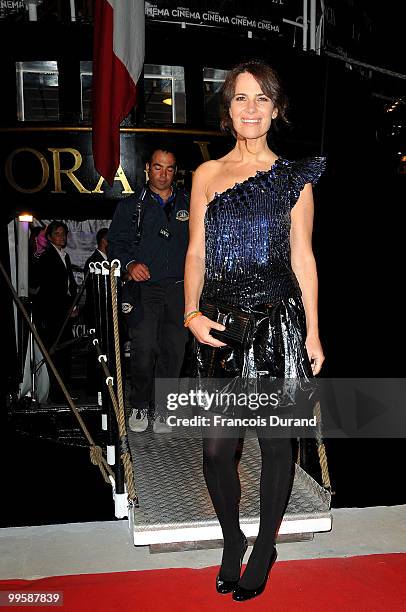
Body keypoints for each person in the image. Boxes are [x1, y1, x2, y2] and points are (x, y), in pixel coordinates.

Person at [184, 60, 326, 601]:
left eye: (261, 99)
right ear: (228, 109)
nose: (250, 108)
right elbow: (195, 252)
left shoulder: (294, 179)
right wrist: (191, 313)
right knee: (217, 451)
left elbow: (304, 260)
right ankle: (232, 537)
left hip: (277, 324)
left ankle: (264, 545)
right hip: (220, 327)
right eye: (241, 98)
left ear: (275, 109)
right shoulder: (206, 175)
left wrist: (312, 333)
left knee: (274, 444)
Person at [108, 148, 190, 434]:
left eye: (169, 168)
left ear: (175, 171)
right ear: (147, 168)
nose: (163, 174)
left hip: (180, 289)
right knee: (143, 349)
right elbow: (116, 244)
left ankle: (165, 409)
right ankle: (140, 404)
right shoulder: (131, 206)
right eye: (158, 167)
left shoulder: (189, 204)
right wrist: (130, 264)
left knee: (174, 351)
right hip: (144, 289)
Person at [32, 220, 78, 402]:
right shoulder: (46, 256)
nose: (62, 237)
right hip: (52, 314)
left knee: (65, 352)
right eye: (57, 234)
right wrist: (66, 308)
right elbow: (49, 290)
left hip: (64, 312)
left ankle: (64, 391)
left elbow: (69, 284)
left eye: (63, 233)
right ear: (50, 237)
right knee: (55, 353)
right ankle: (56, 394)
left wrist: (73, 305)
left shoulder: (64, 256)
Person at [82, 227, 108, 396]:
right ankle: (93, 388)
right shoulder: (94, 262)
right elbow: (92, 292)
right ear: (104, 241)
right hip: (97, 314)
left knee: (105, 350)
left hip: (105, 314)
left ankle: (102, 384)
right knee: (96, 351)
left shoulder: (109, 261)